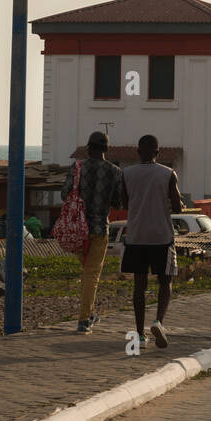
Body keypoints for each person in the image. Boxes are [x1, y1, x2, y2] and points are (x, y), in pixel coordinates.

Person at [120, 135, 183, 350]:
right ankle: (158, 322)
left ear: (138, 152)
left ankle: (139, 335)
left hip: (136, 236)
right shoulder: (167, 174)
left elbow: (123, 202)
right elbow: (178, 207)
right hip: (161, 237)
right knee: (165, 281)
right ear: (158, 152)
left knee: (140, 286)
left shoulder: (127, 173)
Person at [60, 131, 123, 334]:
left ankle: (89, 313)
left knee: (88, 273)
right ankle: (84, 319)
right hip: (99, 229)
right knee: (92, 274)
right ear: (106, 149)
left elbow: (64, 194)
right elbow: (117, 202)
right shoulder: (115, 171)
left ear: (88, 148)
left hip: (77, 230)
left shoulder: (77, 167)